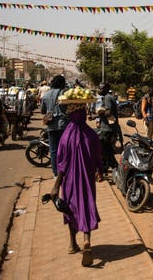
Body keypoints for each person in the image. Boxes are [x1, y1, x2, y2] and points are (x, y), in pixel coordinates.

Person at [49, 100, 103, 267]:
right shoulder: (91, 134)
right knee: (86, 205)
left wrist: (56, 185)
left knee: (70, 208)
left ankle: (73, 243)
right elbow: (97, 157)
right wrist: (99, 171)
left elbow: (62, 164)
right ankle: (86, 239)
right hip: (87, 179)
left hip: (70, 180)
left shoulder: (66, 136)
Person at [40, 75, 69, 177]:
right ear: (62, 83)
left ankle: (56, 173)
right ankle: (65, 171)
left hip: (51, 125)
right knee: (65, 149)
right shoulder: (64, 93)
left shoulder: (46, 95)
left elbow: (42, 110)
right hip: (64, 125)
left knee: (53, 151)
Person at [96, 82, 119, 172]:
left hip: (107, 128)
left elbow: (108, 112)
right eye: (99, 88)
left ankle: (114, 166)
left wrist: (98, 113)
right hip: (108, 127)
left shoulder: (107, 98)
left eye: (101, 88)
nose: (99, 90)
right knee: (106, 148)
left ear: (105, 89)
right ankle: (106, 167)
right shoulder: (108, 97)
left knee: (105, 149)